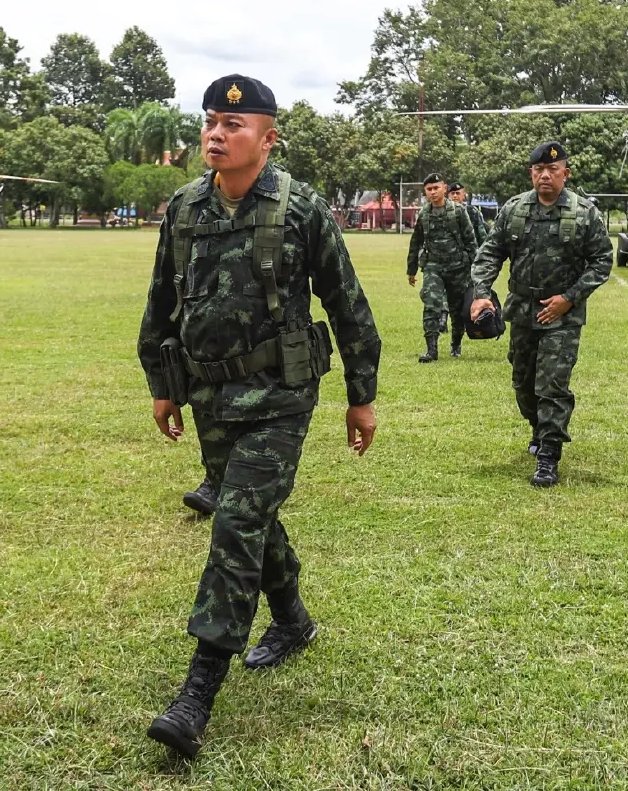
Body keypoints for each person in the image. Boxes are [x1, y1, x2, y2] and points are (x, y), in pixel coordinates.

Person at [138, 74, 381, 759]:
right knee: (249, 517)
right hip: (211, 396)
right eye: (210, 122)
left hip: (280, 397)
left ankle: (196, 694)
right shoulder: (185, 209)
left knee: (237, 520)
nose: (216, 134)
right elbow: (162, 301)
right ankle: (294, 622)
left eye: (233, 125)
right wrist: (163, 384)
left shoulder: (301, 210)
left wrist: (361, 395)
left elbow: (347, 304)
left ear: (268, 139)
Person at [470, 141, 612, 487]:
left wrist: (569, 297)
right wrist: (480, 293)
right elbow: (490, 253)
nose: (545, 175)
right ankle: (538, 428)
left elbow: (602, 261)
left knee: (552, 383)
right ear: (531, 173)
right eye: (538, 170)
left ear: (566, 172)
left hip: (562, 315)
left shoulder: (583, 213)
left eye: (552, 169)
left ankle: (549, 454)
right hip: (521, 311)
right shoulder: (515, 209)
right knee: (523, 382)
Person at [407, 173, 478, 362]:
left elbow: (470, 240)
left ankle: (455, 344)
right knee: (431, 305)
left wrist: (476, 269)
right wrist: (411, 270)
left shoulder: (458, 211)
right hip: (433, 267)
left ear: (444, 188)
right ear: (425, 192)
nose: (433, 192)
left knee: (457, 310)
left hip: (458, 268)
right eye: (429, 189)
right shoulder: (424, 214)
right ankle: (431, 350)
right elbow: (416, 243)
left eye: (436, 188)